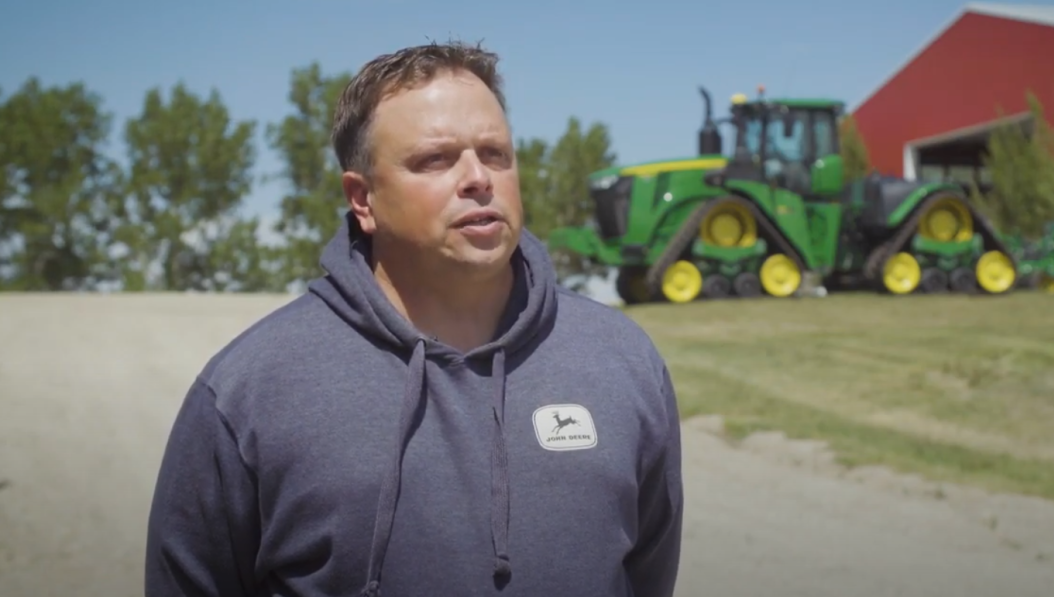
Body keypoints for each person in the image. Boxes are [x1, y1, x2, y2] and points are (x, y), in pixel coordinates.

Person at [143, 40, 685, 597]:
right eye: (436, 159)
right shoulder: (250, 390)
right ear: (363, 198)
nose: (478, 178)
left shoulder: (622, 361)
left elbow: (648, 576)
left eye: (495, 153)